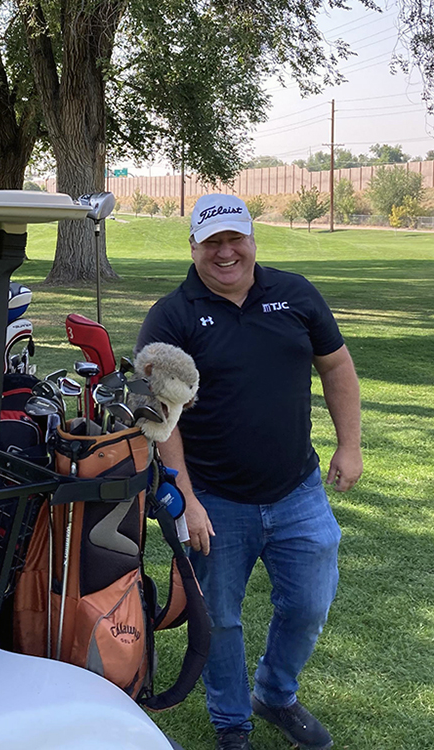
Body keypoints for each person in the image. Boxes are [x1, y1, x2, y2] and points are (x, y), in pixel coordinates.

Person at [136, 194, 362, 750]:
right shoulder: (172, 315)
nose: (226, 252)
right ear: (193, 248)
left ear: (253, 240)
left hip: (297, 489)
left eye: (235, 238)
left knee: (309, 604)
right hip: (214, 499)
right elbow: (161, 420)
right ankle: (232, 723)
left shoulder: (296, 294)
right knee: (221, 620)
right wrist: (185, 498)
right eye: (212, 242)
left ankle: (275, 694)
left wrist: (349, 445)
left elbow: (336, 365)